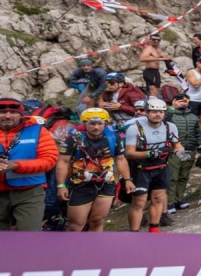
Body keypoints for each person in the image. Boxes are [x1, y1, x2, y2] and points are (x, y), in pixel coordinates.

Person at [56, 108, 129, 231]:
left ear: (105, 124)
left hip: (106, 184)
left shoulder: (113, 137)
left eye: (100, 124)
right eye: (92, 123)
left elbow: (121, 159)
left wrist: (127, 179)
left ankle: (94, 248)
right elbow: (63, 162)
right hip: (81, 185)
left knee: (97, 221)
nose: (96, 127)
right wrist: (61, 185)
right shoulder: (74, 139)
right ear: (85, 124)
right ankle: (71, 249)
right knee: (76, 225)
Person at [124, 97, 185, 233]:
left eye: (161, 112)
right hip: (141, 169)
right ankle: (134, 233)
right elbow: (129, 153)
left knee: (158, 199)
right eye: (154, 111)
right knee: (139, 202)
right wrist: (149, 153)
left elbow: (177, 145)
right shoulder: (134, 129)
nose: (158, 114)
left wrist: (180, 152)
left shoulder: (170, 127)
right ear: (147, 112)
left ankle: (154, 229)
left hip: (161, 167)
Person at [0, 96, 59, 231]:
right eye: (2, 112)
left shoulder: (38, 131)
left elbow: (49, 159)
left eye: (13, 112)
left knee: (30, 234)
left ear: (21, 114)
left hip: (29, 192)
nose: (8, 116)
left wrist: (16, 166)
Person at [166, 93, 200, 212]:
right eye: (180, 100)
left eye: (185, 100)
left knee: (183, 177)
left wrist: (200, 146)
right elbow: (164, 120)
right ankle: (169, 203)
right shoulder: (169, 114)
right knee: (172, 177)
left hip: (190, 149)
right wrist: (172, 108)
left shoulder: (193, 117)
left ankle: (178, 200)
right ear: (174, 101)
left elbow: (197, 133)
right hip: (173, 151)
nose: (183, 102)